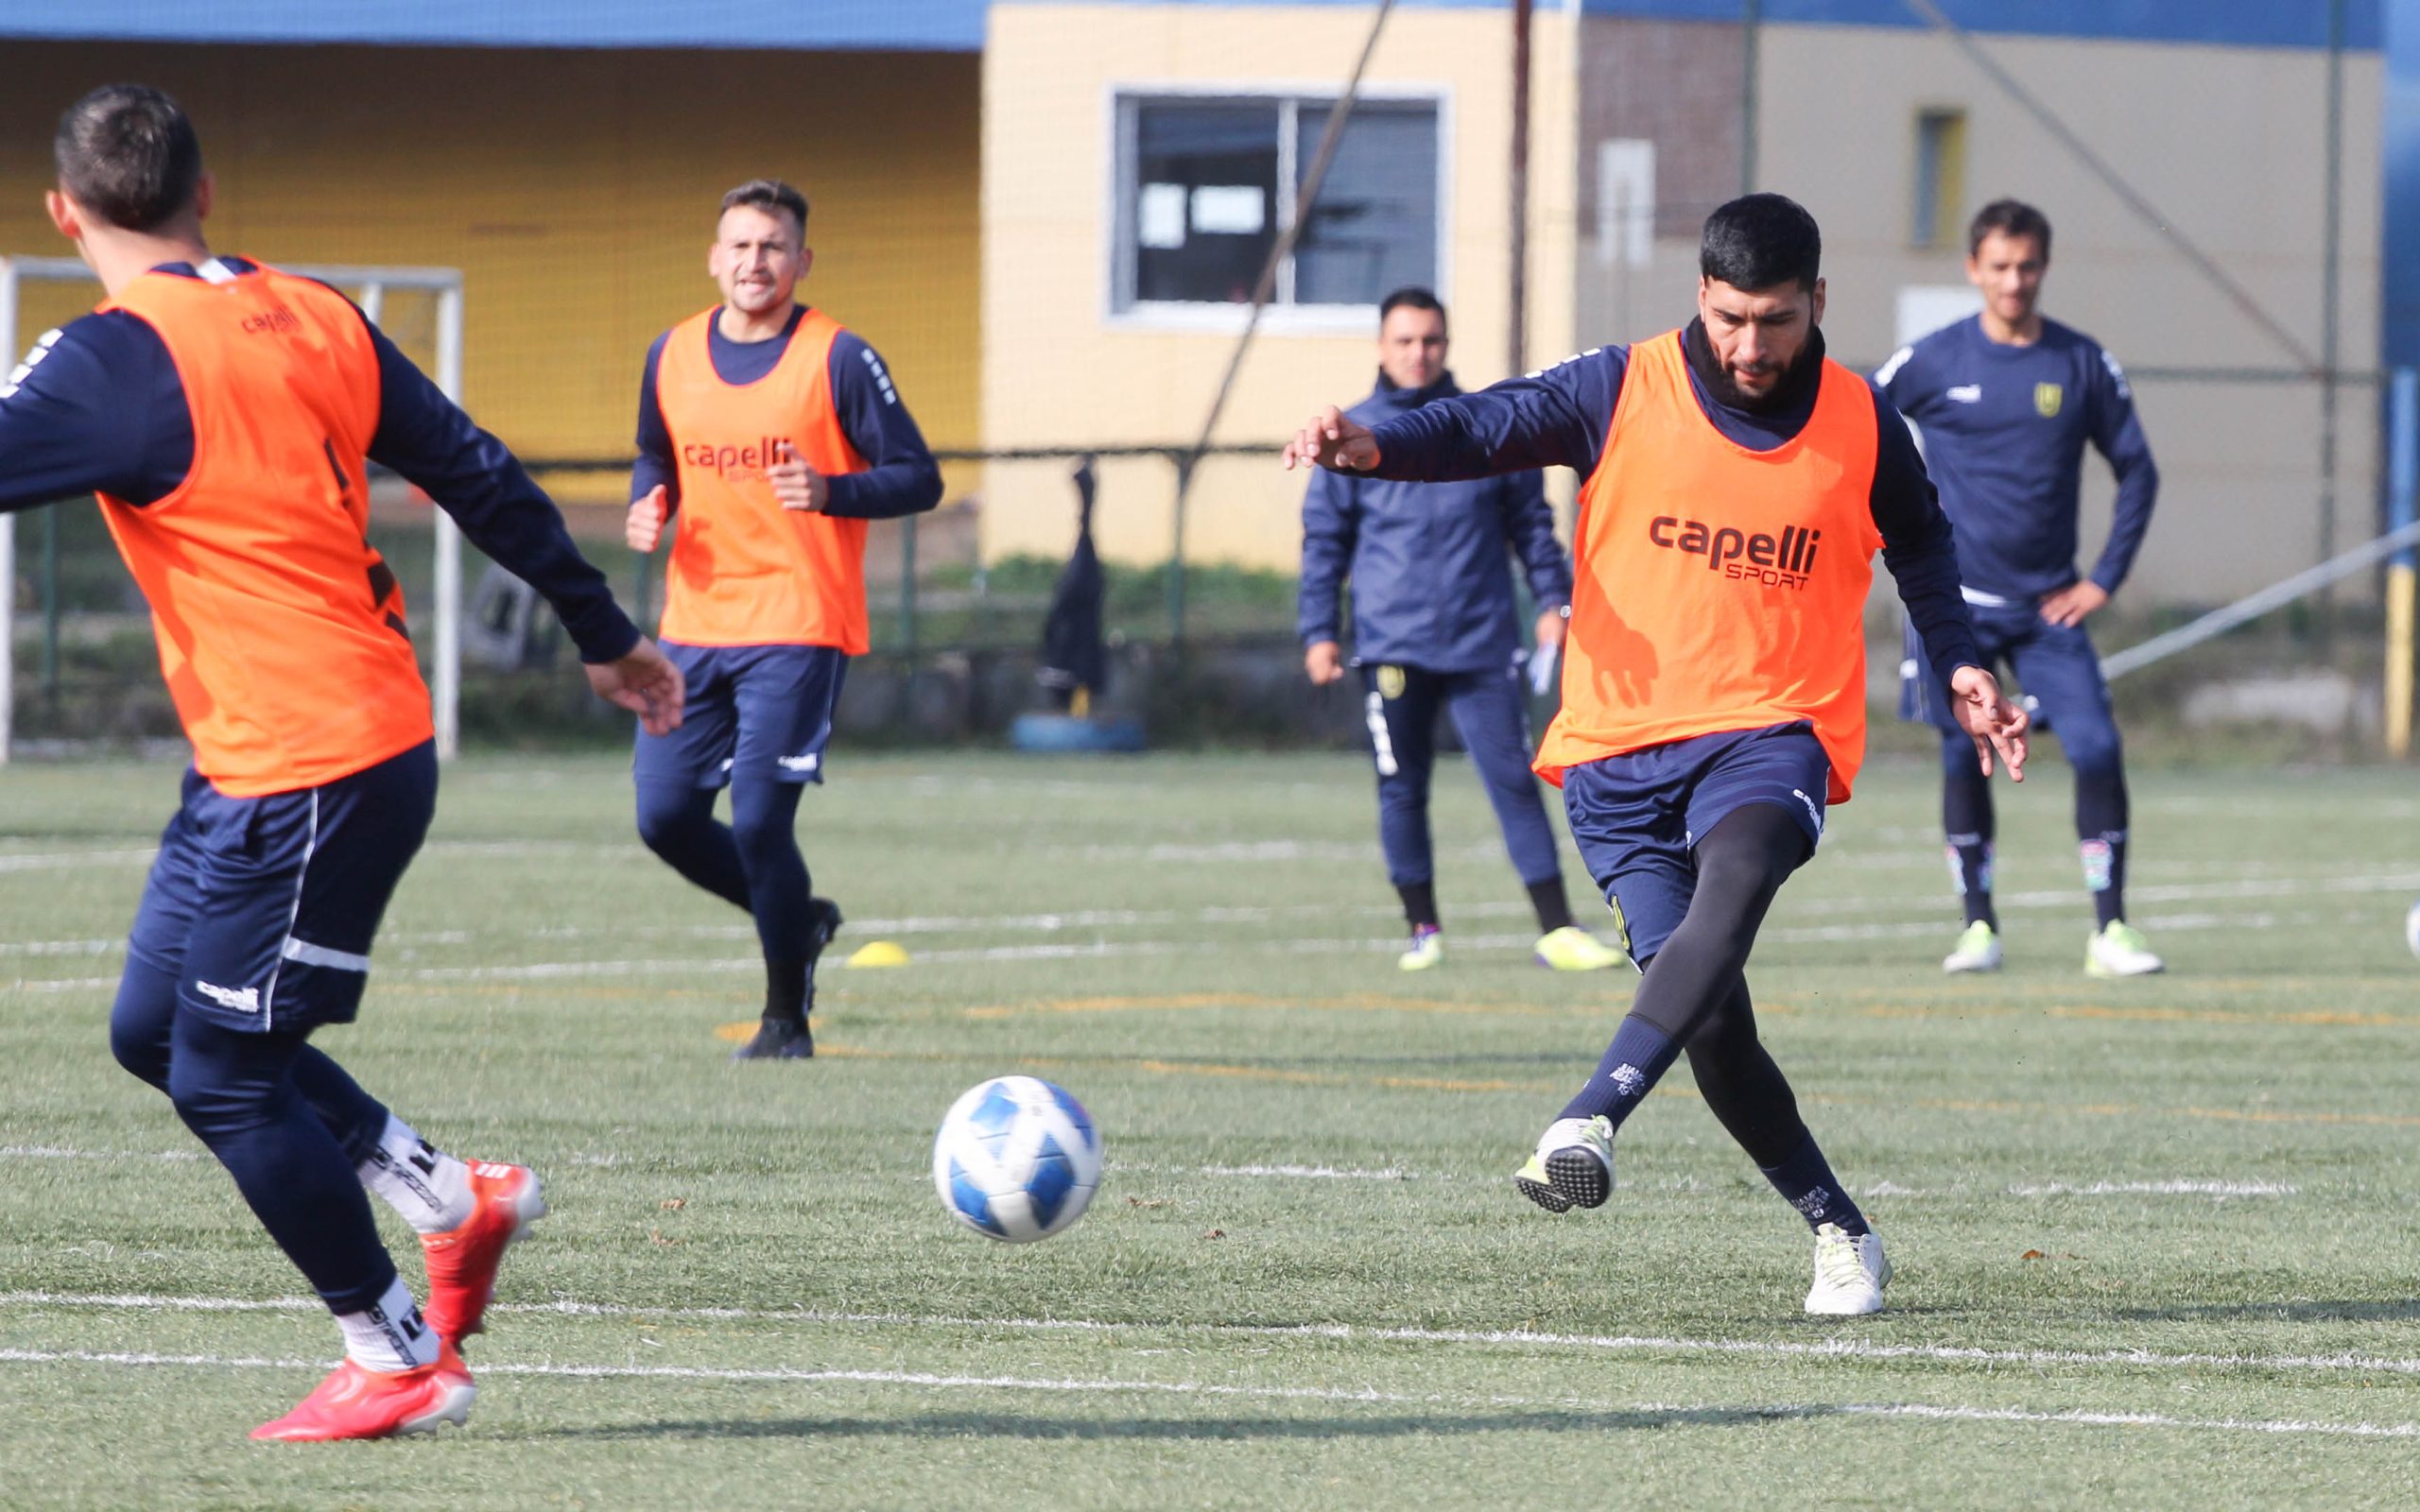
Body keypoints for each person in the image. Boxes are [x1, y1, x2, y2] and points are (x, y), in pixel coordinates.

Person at [0, 85, 684, 1439]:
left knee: (224, 1075)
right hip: (283, 753)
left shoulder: (108, 359)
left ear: (63, 214)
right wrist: (603, 633)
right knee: (157, 1032)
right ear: (205, 194)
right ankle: (447, 1195)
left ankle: (398, 1355)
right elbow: (476, 471)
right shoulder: (314, 311)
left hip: (310, 765)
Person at [1286, 194, 2028, 1316]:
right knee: (1710, 1015)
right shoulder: (1620, 385)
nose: (1749, 345)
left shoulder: (1862, 417)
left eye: (1775, 320)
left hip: (1773, 730)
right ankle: (1841, 1229)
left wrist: (1960, 659)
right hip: (1617, 755)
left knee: (1733, 888)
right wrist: (1378, 442)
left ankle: (1589, 1113)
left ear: (1816, 302)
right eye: (1729, 318)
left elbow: (1920, 542)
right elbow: (1487, 426)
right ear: (1700, 297)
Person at [626, 178, 942, 1060]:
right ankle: (797, 919)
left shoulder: (838, 357)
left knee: (763, 820)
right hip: (695, 623)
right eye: (740, 245)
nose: (754, 261)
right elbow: (656, 453)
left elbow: (919, 476)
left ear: (802, 261)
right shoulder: (670, 353)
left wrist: (832, 490)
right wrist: (651, 499)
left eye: (772, 246)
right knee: (664, 819)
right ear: (713, 258)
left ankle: (784, 1023)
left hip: (799, 623)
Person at [1876, 199, 2162, 978]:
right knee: (1962, 754)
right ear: (1974, 269)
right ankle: (1978, 927)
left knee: (2097, 748)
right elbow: (1855, 427)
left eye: (2027, 266)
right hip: (1956, 612)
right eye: (1999, 266)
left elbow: (2138, 470)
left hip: (2047, 611)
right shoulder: (1932, 359)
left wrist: (2103, 580)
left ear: (2044, 267)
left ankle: (2111, 929)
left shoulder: (2080, 362)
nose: (2014, 281)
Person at [1299, 287, 1619, 973]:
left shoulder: (1479, 426)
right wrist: (1319, 632)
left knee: (1515, 780)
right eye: (1405, 341)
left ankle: (1556, 929)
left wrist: (1554, 600)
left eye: (1431, 340)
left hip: (1482, 643)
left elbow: (1532, 525)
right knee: (1401, 789)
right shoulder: (1353, 436)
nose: (1419, 353)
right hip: (1393, 645)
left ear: (1446, 344)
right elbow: (1324, 544)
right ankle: (1423, 930)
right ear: (1382, 347)